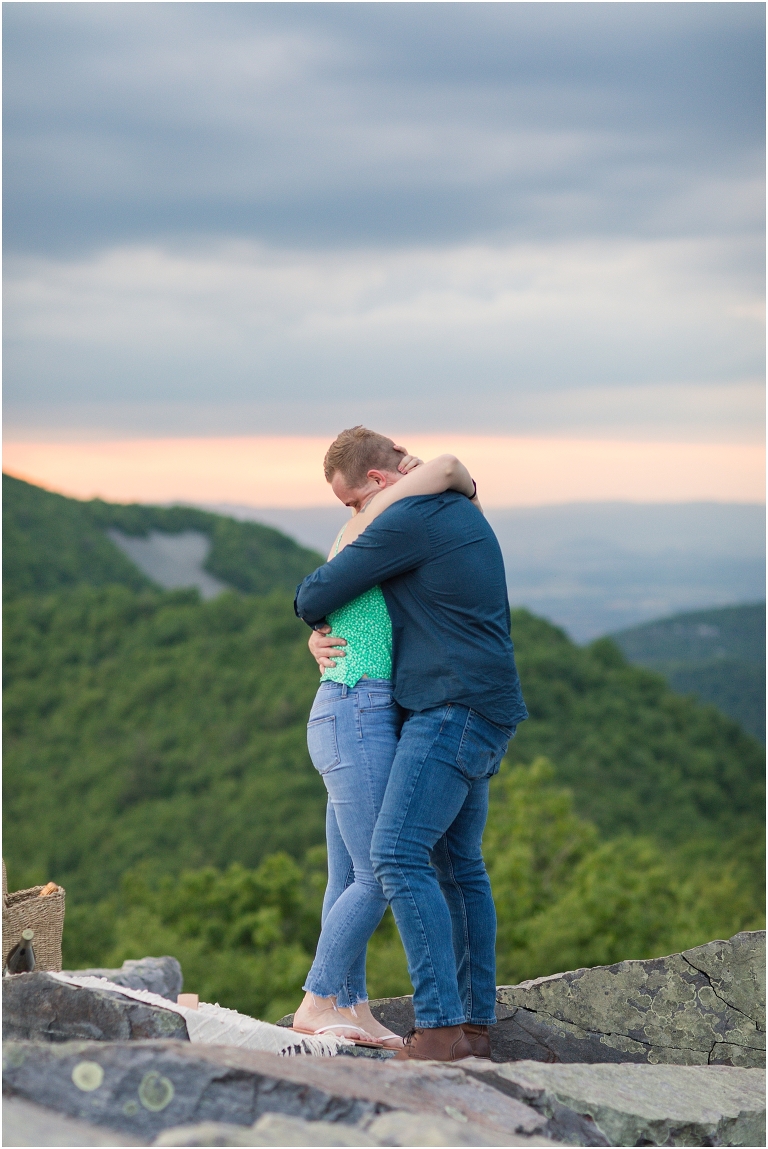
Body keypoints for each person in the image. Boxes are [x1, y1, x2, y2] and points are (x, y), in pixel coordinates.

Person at [294, 426, 528, 1062]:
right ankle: (473, 1027)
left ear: (376, 483)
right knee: (459, 866)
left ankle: (439, 1031)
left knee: (395, 856)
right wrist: (326, 636)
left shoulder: (408, 517)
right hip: (485, 703)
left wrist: (315, 616)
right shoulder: (452, 508)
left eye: (354, 502)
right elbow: (356, 608)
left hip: (448, 706)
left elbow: (313, 591)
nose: (355, 516)